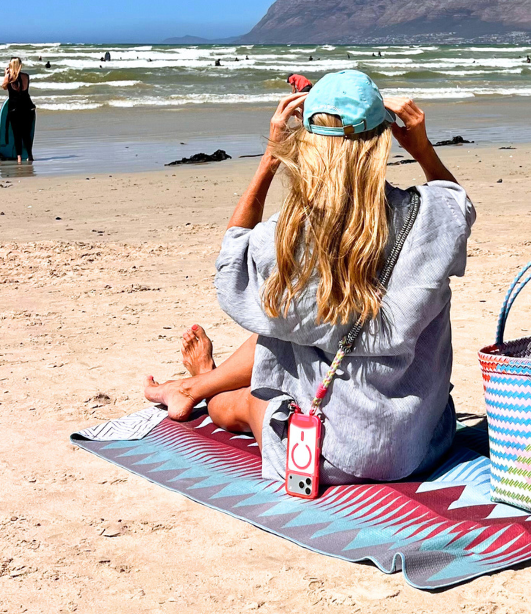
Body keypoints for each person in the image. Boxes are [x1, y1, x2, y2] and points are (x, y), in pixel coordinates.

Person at [143, 69, 476, 487]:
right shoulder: (427, 217)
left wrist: (269, 159)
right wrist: (423, 149)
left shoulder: (288, 239)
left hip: (327, 451)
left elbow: (234, 259)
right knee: (291, 325)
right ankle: (197, 384)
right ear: (384, 139)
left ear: (306, 144)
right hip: (419, 440)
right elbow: (456, 206)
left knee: (240, 400)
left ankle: (199, 384)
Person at [1, 57, 35, 163]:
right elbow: (23, 90)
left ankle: (19, 157)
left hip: (15, 108)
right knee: (26, 133)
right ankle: (30, 155)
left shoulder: (9, 77)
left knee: (17, 134)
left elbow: (4, 87)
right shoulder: (26, 76)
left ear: (11, 65)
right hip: (27, 107)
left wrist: (5, 74)